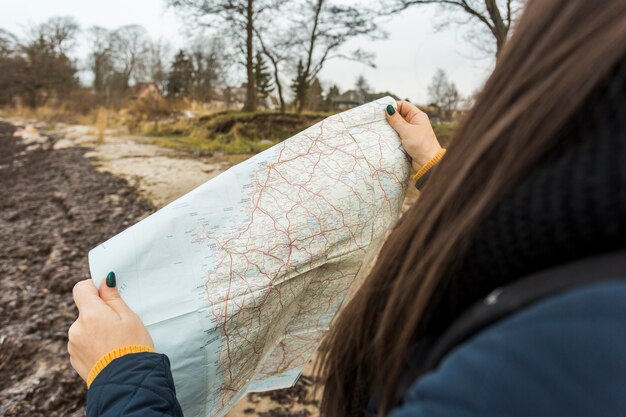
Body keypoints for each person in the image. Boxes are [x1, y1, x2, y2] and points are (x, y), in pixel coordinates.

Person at [68, 0, 626, 415]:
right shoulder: (582, 257)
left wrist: (124, 380)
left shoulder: (537, 371)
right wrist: (434, 163)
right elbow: (539, 229)